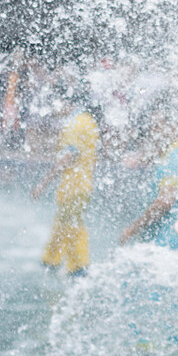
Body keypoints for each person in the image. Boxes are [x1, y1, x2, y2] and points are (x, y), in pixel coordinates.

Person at [116, 100, 178, 249]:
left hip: (168, 242)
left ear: (174, 125)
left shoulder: (177, 156)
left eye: (158, 126)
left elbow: (164, 201)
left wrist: (132, 229)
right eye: (152, 126)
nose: (153, 131)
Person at [32, 104, 100, 275]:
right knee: (63, 224)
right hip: (83, 185)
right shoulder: (89, 121)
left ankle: (79, 267)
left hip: (73, 187)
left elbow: (68, 157)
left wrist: (42, 183)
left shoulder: (75, 125)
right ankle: (50, 261)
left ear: (67, 101)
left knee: (72, 226)